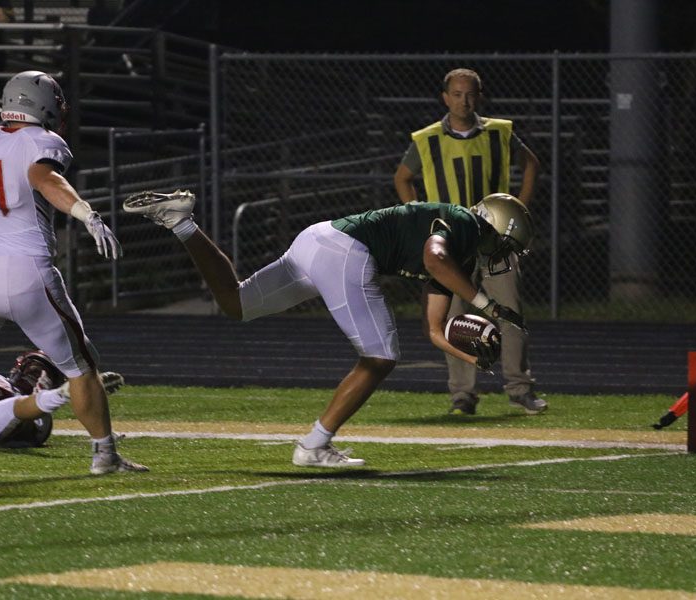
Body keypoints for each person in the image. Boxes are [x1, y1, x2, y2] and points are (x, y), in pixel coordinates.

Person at [124, 189, 534, 468]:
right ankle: (314, 445)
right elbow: (433, 258)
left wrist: (476, 355)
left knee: (236, 303)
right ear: (499, 227)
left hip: (318, 240)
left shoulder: (460, 257)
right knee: (381, 356)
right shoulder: (462, 223)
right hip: (346, 252)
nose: (504, 255)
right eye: (508, 245)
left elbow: (434, 329)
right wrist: (488, 305)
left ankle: (181, 223)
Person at [0, 70, 147, 473]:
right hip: (28, 278)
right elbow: (44, 177)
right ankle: (104, 454)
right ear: (41, 105)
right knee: (82, 367)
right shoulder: (43, 141)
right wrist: (85, 213)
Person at [393, 67, 543, 417]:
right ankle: (463, 395)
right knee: (455, 321)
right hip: (452, 245)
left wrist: (518, 209)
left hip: (494, 242)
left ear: (480, 96)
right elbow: (402, 178)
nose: (464, 100)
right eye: (457, 94)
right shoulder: (427, 139)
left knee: (511, 313)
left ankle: (520, 389)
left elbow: (531, 163)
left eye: (470, 94)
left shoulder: (499, 133)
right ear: (445, 98)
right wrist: (417, 216)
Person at [0, 350, 124, 450]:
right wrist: (62, 394)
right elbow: (16, 408)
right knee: (37, 364)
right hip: (25, 418)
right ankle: (72, 392)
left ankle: (73, 391)